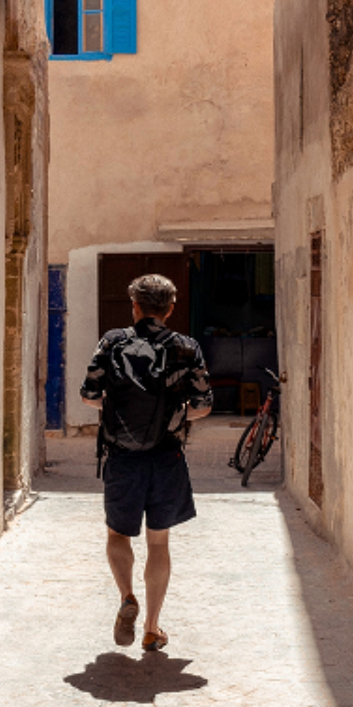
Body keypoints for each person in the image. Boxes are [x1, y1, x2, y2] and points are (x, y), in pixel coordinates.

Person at [79, 274, 213, 651]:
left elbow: (89, 395)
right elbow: (202, 407)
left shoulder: (113, 342)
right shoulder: (186, 348)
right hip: (166, 457)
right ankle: (152, 628)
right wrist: (171, 415)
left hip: (122, 457)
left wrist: (119, 407)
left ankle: (127, 596)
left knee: (117, 535)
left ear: (134, 307)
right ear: (170, 309)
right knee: (159, 542)